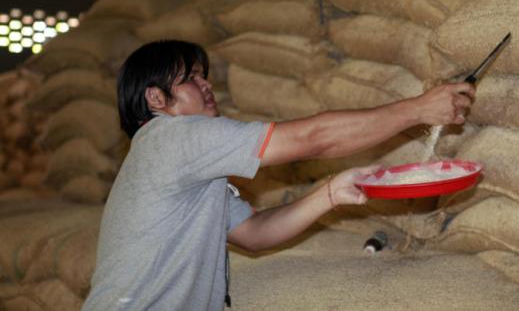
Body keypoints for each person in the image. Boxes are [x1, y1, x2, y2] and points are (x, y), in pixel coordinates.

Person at [83, 40, 475, 310]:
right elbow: (314, 138)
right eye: (191, 78)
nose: (206, 85)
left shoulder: (186, 166)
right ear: (156, 100)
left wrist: (329, 195)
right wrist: (419, 110)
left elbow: (254, 235)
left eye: (206, 76)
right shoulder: (173, 136)